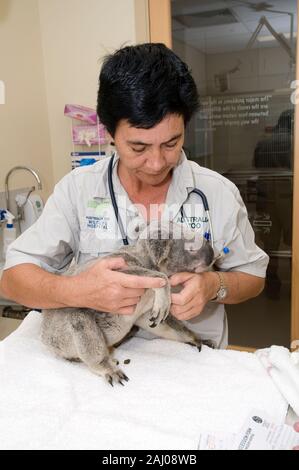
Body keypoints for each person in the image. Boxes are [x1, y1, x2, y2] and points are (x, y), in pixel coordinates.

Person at [0, 43, 269, 349]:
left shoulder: (217, 193)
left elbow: (253, 277)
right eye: (138, 148)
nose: (156, 163)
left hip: (193, 363)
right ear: (110, 134)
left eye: (171, 142)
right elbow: (12, 280)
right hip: (108, 364)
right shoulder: (78, 190)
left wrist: (213, 285)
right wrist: (78, 290)